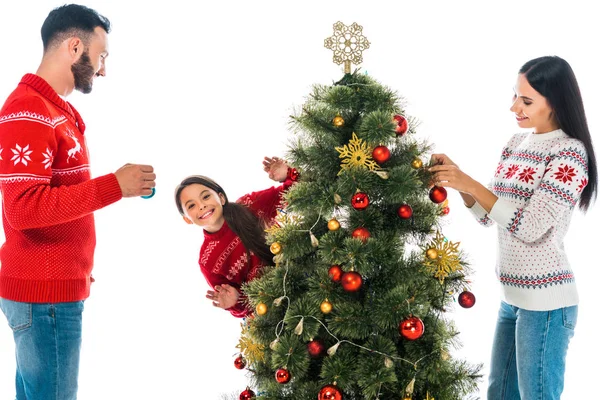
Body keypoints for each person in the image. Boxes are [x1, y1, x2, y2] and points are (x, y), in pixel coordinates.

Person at [0, 4, 156, 400]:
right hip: (44, 295)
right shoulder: (28, 109)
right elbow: (22, 208)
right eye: (100, 56)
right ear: (74, 47)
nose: (102, 70)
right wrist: (113, 187)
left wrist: (75, 266)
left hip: (53, 288)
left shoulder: (55, 111)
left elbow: (55, 202)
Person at [429, 56, 597, 399]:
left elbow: (530, 226)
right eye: (515, 96)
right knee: (500, 393)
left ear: (555, 102)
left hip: (546, 305)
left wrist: (471, 184)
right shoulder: (515, 145)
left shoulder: (569, 154)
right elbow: (487, 216)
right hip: (512, 299)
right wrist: (460, 183)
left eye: (526, 100)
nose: (514, 107)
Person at [175, 156, 297, 318]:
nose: (202, 205)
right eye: (191, 205)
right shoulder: (208, 262)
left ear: (222, 197)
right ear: (187, 219)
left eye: (205, 197)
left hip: (302, 269)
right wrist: (234, 302)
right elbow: (246, 310)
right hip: (279, 313)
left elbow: (295, 192)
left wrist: (288, 174)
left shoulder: (249, 204)